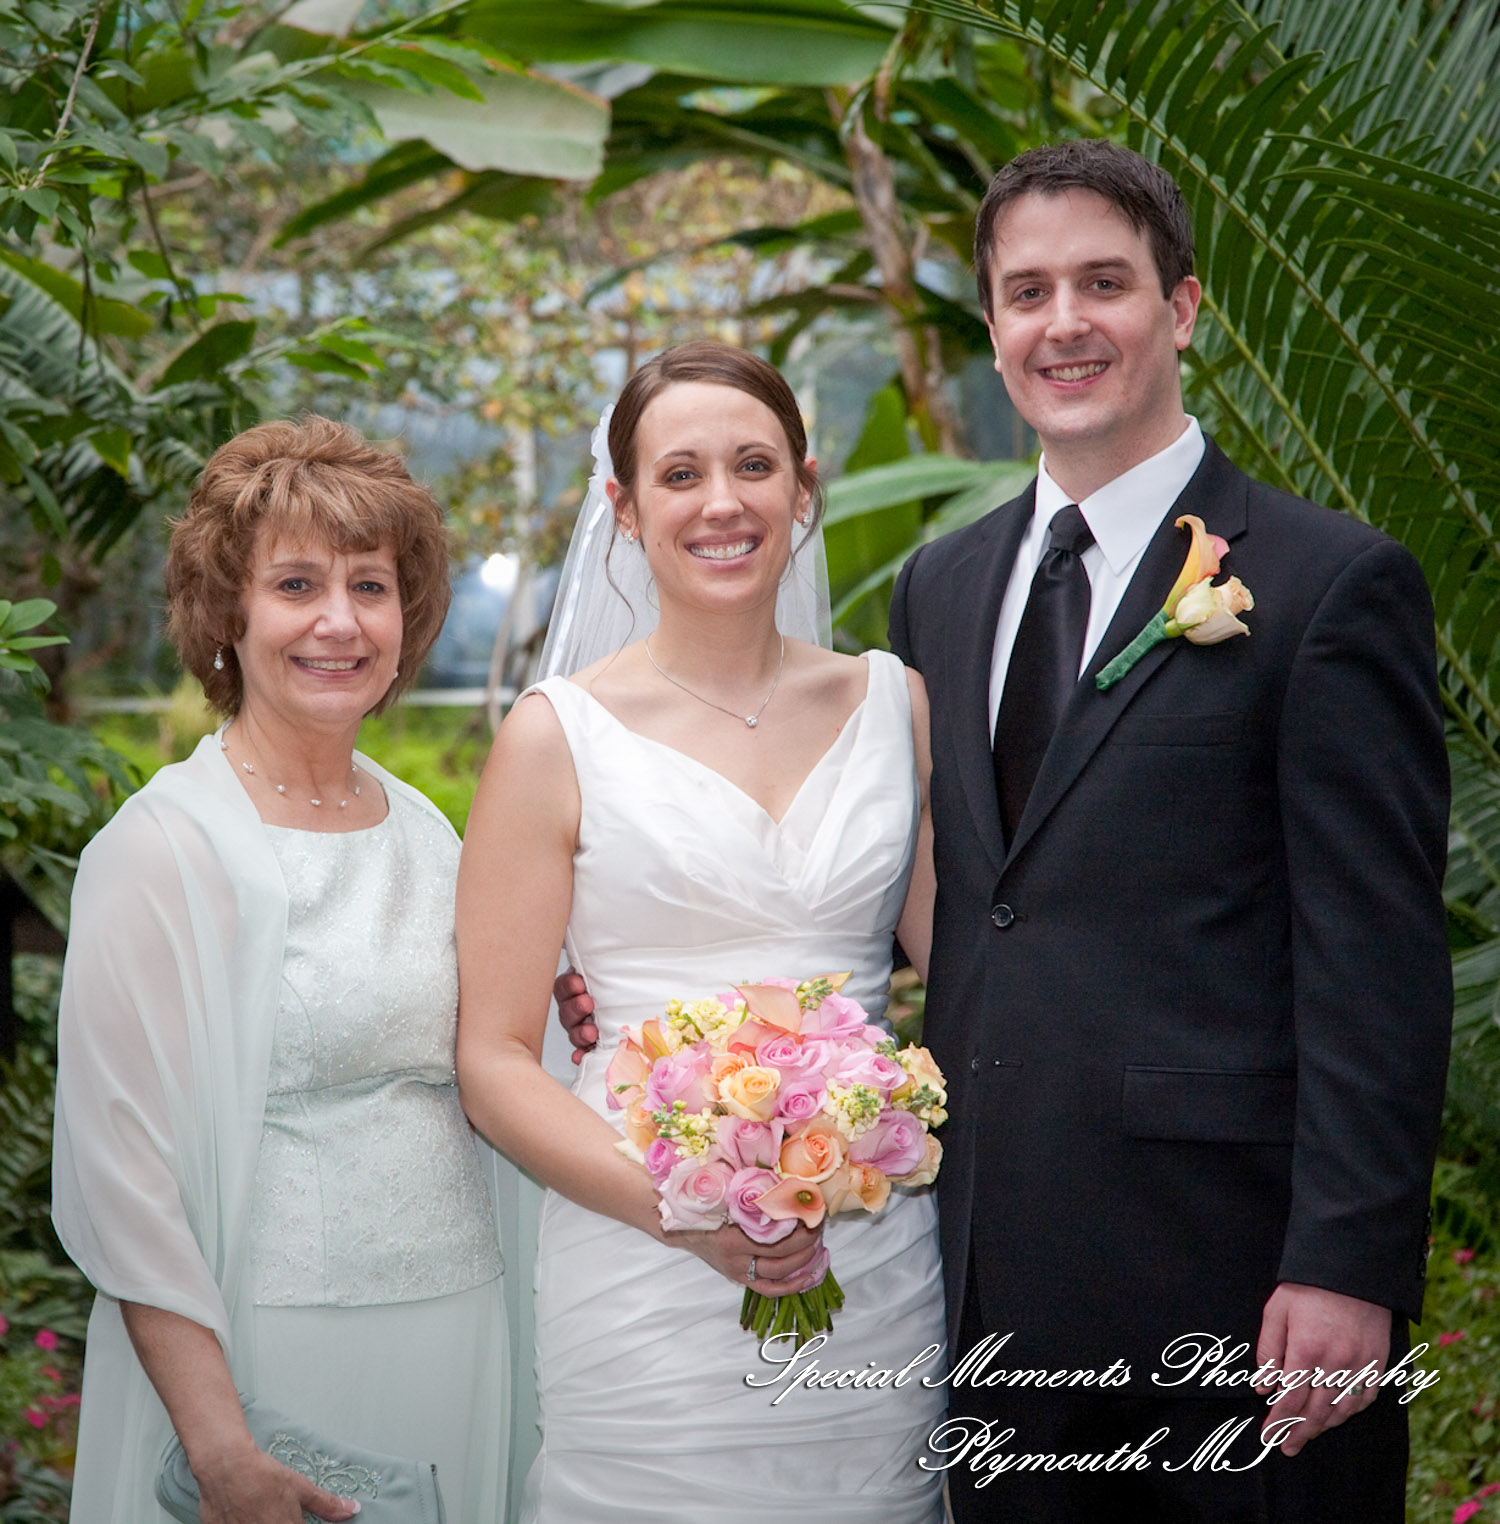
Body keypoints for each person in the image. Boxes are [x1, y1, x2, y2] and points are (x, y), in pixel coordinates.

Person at [888, 140, 1451, 1519]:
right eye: (1027, 292)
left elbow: (1377, 962)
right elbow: (951, 903)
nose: (1063, 323)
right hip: (990, 1287)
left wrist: (1346, 1262)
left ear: (1183, 307)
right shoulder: (940, 591)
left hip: (1237, 1294)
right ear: (993, 327)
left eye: (1104, 282)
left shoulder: (1327, 586)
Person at [455, 340, 947, 1524]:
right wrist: (691, 1212)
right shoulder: (553, 736)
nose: (721, 502)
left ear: (805, 486)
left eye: (753, 465)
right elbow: (493, 1060)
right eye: (679, 475)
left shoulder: (895, 703)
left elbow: (982, 964)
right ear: (623, 508)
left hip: (872, 1261)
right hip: (642, 1274)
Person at [52, 418, 509, 1523]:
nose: (340, 622)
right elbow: (124, 1181)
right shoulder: (160, 849)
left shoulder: (430, 833)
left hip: (463, 1326)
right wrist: (219, 1445)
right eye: (297, 584)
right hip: (274, 1351)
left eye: (372, 585)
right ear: (230, 614)